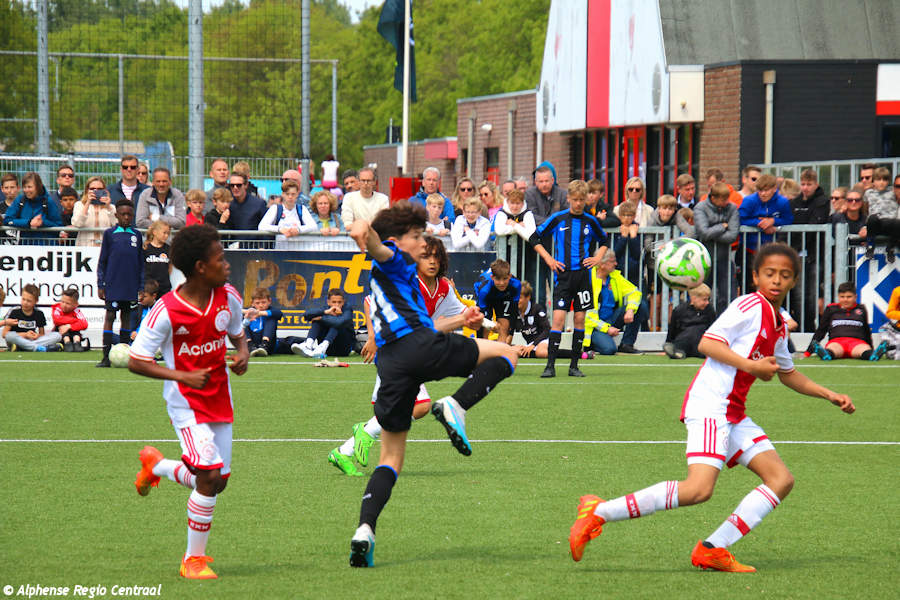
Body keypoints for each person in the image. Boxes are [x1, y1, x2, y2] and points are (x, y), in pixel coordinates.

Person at [568, 242, 856, 573]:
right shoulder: (749, 305)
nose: (777, 280)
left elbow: (788, 373)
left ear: (794, 281)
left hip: (733, 412)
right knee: (698, 489)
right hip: (711, 405)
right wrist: (752, 366)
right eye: (769, 273)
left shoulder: (777, 322)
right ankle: (598, 512)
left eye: (785, 275)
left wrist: (829, 394)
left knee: (780, 479)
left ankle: (713, 548)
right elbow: (708, 343)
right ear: (755, 277)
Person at [346, 202, 518, 568]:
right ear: (397, 241)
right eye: (416, 236)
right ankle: (456, 405)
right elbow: (372, 240)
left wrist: (461, 321)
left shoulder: (404, 276)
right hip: (416, 348)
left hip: (393, 364)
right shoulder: (393, 258)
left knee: (390, 458)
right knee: (508, 353)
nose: (423, 243)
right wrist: (362, 228)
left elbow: (427, 328)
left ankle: (365, 529)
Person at [129, 224, 249, 580]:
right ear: (200, 267)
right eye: (220, 259)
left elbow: (238, 333)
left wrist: (243, 353)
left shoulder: (228, 296)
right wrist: (182, 376)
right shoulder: (166, 310)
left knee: (217, 481)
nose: (226, 264)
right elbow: (137, 360)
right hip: (186, 404)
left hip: (220, 400)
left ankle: (157, 467)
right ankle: (192, 560)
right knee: (208, 476)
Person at [327, 236, 485, 477]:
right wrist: (372, 337)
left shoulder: (443, 288)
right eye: (426, 256)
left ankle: (343, 451)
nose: (432, 262)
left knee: (394, 410)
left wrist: (486, 323)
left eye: (436, 257)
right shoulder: (407, 282)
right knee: (419, 407)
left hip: (413, 351)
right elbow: (369, 301)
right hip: (395, 350)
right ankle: (364, 432)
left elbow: (464, 312)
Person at [529, 179, 608, 376]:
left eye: (582, 199)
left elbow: (604, 240)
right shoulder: (558, 218)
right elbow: (534, 238)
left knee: (580, 319)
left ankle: (574, 366)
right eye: (575, 199)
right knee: (558, 319)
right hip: (563, 276)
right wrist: (549, 259)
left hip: (583, 277)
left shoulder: (591, 221)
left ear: (586, 199)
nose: (578, 203)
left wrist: (598, 257)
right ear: (569, 199)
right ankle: (550, 366)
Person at [96, 199, 143, 368]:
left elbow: (141, 263)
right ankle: (105, 357)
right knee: (110, 316)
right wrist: (101, 284)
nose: (126, 217)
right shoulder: (110, 234)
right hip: (113, 284)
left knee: (126, 318)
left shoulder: (137, 235)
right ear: (116, 215)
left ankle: (124, 353)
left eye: (129, 214)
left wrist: (141, 286)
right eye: (123, 214)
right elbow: (102, 261)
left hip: (130, 285)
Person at [583, 251, 648, 355]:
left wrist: (630, 310)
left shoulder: (614, 276)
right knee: (609, 350)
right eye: (612, 261)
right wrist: (606, 329)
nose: (616, 264)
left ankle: (626, 344)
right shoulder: (587, 279)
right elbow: (587, 316)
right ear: (602, 264)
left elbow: (635, 292)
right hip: (594, 326)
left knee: (640, 305)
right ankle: (592, 343)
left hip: (612, 319)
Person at [806, 282, 889, 361]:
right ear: (838, 297)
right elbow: (821, 330)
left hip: (857, 342)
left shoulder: (861, 309)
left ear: (855, 297)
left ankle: (873, 355)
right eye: (842, 297)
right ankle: (826, 354)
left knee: (863, 350)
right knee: (833, 349)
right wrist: (808, 352)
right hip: (837, 342)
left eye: (849, 297)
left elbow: (866, 331)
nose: (845, 299)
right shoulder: (831, 309)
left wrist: (871, 347)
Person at [789, 169, 830, 331]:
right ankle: (801, 328)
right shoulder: (795, 202)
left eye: (809, 184)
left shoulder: (822, 201)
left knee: (812, 294)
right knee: (798, 294)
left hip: (815, 253)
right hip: (797, 253)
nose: (805, 188)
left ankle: (811, 328)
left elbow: (815, 224)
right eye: (803, 184)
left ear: (816, 184)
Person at [738, 174, 793, 292]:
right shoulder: (749, 201)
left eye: (766, 190)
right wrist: (760, 223)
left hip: (773, 250)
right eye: (760, 190)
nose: (763, 194)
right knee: (748, 284)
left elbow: (788, 219)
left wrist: (773, 221)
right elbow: (740, 219)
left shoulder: (782, 202)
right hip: (750, 250)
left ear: (774, 189)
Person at [513, 281, 590, 360]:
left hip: (543, 340)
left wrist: (533, 345)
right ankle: (531, 353)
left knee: (541, 352)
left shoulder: (536, 309)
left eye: (520, 298)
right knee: (513, 351)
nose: (517, 300)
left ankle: (579, 354)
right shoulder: (515, 311)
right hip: (530, 344)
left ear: (528, 297)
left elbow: (547, 330)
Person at [695, 182, 740, 313]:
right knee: (701, 295)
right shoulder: (700, 208)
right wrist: (722, 227)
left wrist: (712, 232)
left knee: (728, 296)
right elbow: (703, 233)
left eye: (727, 198)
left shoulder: (732, 208)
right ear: (713, 198)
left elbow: (732, 235)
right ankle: (701, 321)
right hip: (704, 260)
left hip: (724, 258)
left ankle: (726, 322)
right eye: (723, 199)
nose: (727, 202)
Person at [293, 288, 356, 358]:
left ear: (343, 302)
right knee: (317, 321)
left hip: (343, 349)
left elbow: (339, 322)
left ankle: (323, 347)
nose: (336, 305)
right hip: (328, 350)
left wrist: (321, 318)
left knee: (336, 323)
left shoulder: (347, 309)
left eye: (339, 302)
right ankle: (308, 345)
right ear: (328, 302)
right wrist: (325, 312)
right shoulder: (326, 309)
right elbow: (306, 315)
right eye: (334, 302)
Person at [3, 172, 63, 242]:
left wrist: (43, 223)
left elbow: (58, 226)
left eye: (29, 187)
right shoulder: (20, 200)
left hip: (45, 245)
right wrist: (28, 223)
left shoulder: (48, 202)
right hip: (25, 245)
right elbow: (7, 220)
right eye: (24, 187)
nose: (26, 190)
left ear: (37, 187)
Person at [257, 179, 317, 249]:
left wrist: (298, 230)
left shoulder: (302, 209)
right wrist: (280, 229)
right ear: (283, 194)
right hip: (280, 251)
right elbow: (262, 226)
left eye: (293, 194)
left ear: (297, 194)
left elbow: (313, 226)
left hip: (299, 251)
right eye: (287, 194)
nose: (290, 197)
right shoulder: (275, 208)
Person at [2, 283, 62, 352]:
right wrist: (25, 335)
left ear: (36, 301)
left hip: (32, 340)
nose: (25, 303)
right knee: (10, 335)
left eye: (29, 301)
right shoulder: (14, 311)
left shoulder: (39, 313)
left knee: (57, 335)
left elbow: (42, 334)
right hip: (17, 340)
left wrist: (37, 336)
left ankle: (24, 347)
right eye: (23, 299)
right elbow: (4, 334)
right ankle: (39, 348)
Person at [663, 284, 717, 359]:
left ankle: (679, 352)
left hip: (700, 341)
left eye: (708, 299)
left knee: (697, 331)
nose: (707, 302)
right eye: (704, 300)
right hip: (684, 340)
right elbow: (672, 330)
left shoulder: (709, 310)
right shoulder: (679, 310)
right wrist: (668, 342)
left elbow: (713, 329)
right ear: (693, 298)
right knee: (685, 337)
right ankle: (677, 351)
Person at [474, 259, 521, 343]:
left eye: (505, 279)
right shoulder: (484, 291)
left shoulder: (516, 284)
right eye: (498, 279)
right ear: (492, 277)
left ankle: (501, 350)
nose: (502, 283)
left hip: (503, 297)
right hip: (487, 297)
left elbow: (514, 310)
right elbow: (481, 316)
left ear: (510, 276)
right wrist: (490, 324)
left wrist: (511, 334)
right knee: (485, 328)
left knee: (504, 326)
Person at [862, 168, 900, 262]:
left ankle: (890, 248)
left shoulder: (892, 192)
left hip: (890, 221)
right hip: (876, 222)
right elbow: (865, 208)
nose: (881, 182)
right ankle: (870, 246)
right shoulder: (868, 193)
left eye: (885, 180)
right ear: (873, 181)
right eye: (878, 179)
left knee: (898, 223)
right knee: (872, 219)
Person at [71, 177, 116, 247]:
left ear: (104, 190)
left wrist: (108, 207)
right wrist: (87, 203)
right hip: (85, 246)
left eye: (100, 189)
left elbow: (116, 224)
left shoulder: (111, 207)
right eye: (92, 189)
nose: (96, 191)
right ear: (87, 190)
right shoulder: (79, 205)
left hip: (105, 247)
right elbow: (77, 223)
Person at [241, 287, 283, 358]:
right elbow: (233, 310)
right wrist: (247, 313)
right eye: (257, 303)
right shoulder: (249, 312)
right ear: (252, 303)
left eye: (263, 302)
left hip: (269, 346)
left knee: (271, 318)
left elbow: (279, 314)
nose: (260, 305)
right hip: (252, 342)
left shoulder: (271, 310)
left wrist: (259, 313)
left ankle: (264, 344)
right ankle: (249, 345)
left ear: (269, 301)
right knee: (243, 321)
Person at [613, 201, 642, 286]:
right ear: (619, 216)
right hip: (617, 271)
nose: (626, 218)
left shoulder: (638, 230)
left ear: (634, 216)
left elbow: (637, 254)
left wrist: (633, 237)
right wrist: (623, 237)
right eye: (623, 215)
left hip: (634, 273)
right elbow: (614, 253)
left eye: (629, 215)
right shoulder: (615, 230)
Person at [52, 287, 89, 352]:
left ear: (76, 304)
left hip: (73, 332)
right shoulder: (57, 308)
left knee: (75, 331)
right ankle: (67, 343)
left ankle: (77, 343)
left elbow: (84, 324)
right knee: (62, 327)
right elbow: (56, 320)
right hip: (60, 333)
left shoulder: (76, 311)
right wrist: (76, 321)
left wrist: (69, 326)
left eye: (67, 303)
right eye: (62, 302)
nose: (64, 305)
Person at [143, 220, 173, 295]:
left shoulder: (168, 249)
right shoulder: (145, 248)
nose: (166, 236)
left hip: (164, 287)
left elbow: (170, 268)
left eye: (168, 233)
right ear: (155, 232)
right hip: (149, 288)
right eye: (164, 233)